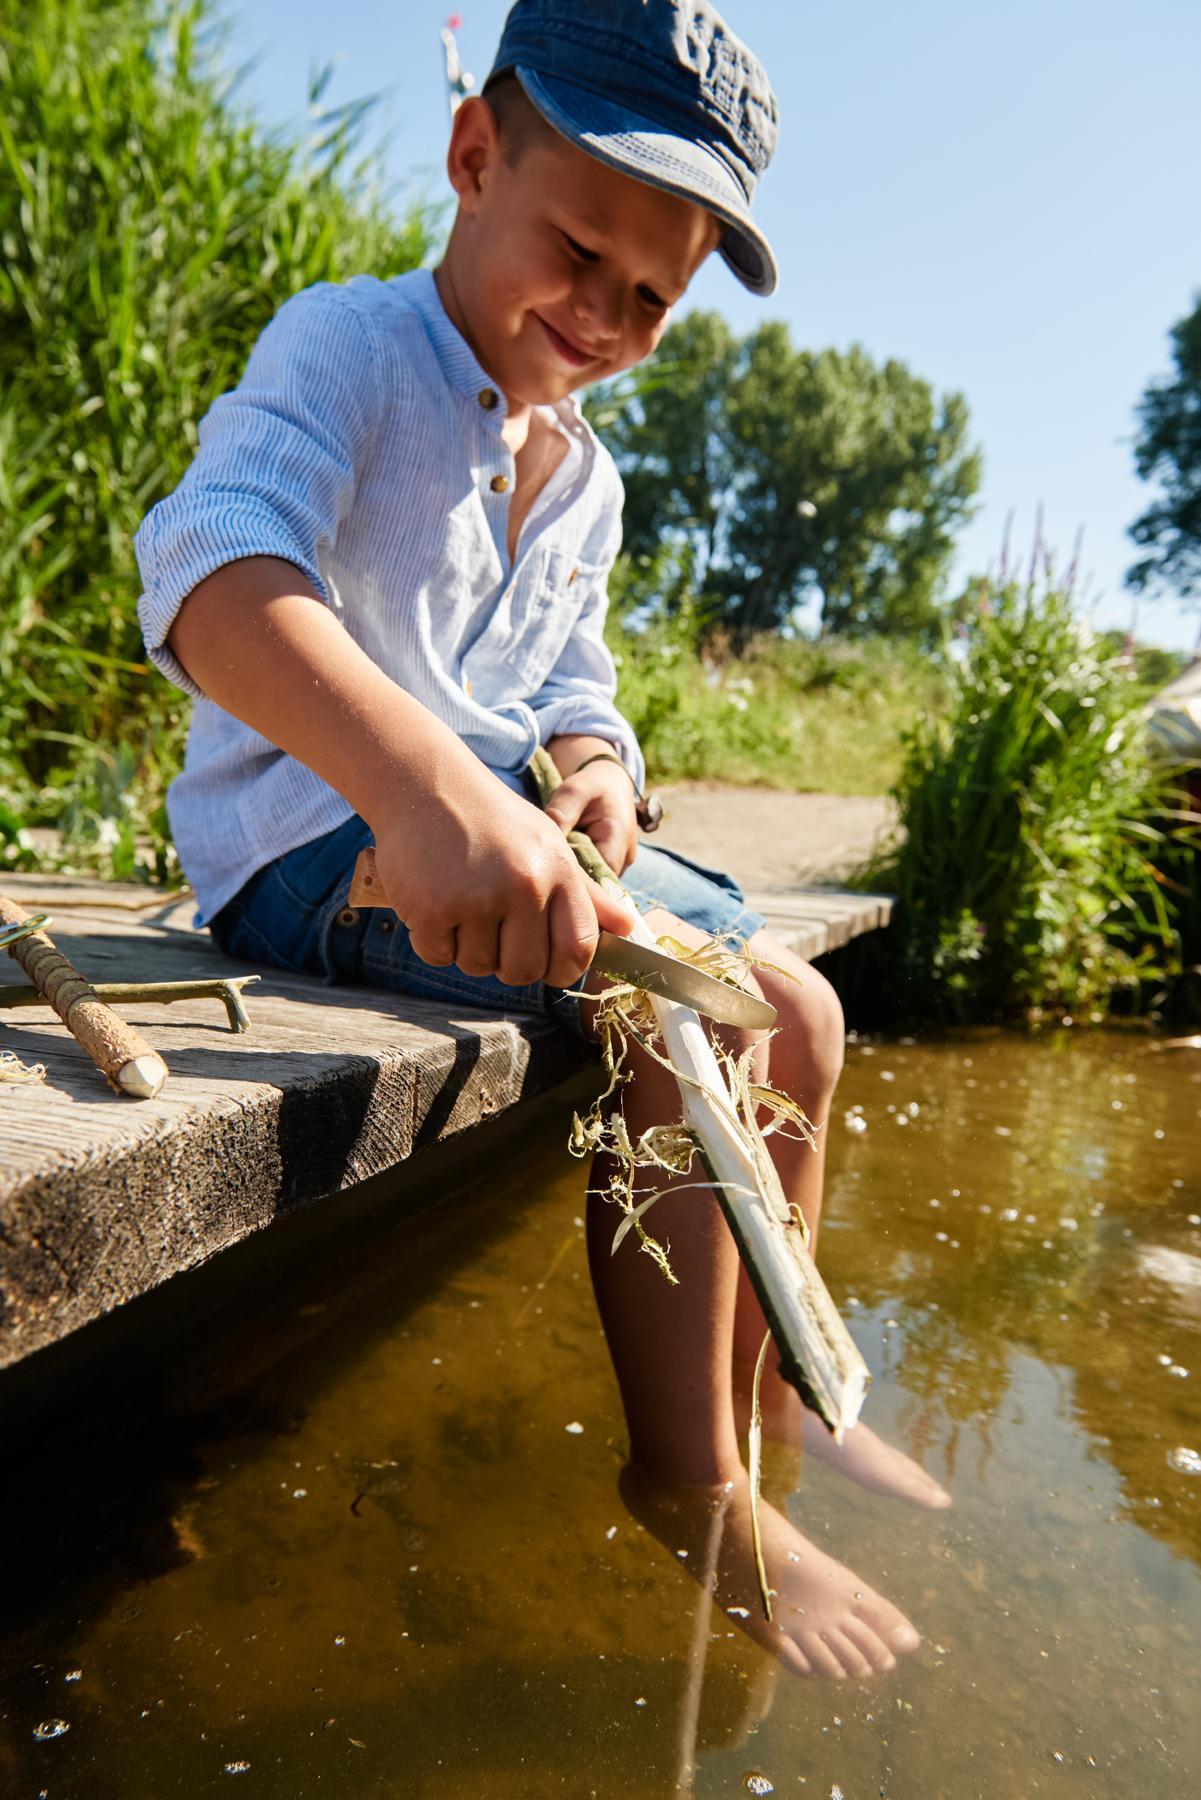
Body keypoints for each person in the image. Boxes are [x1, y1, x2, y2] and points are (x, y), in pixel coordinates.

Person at [135, 0, 944, 1677]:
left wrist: (591, 774)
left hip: (516, 838)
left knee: (802, 1013)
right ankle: (691, 1478)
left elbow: (577, 683)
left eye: (651, 298)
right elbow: (209, 565)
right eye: (577, 252)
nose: (602, 314)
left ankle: (783, 1392)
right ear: (470, 157)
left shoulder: (582, 478)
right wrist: (429, 792)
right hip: (317, 844)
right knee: (679, 1015)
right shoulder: (348, 349)